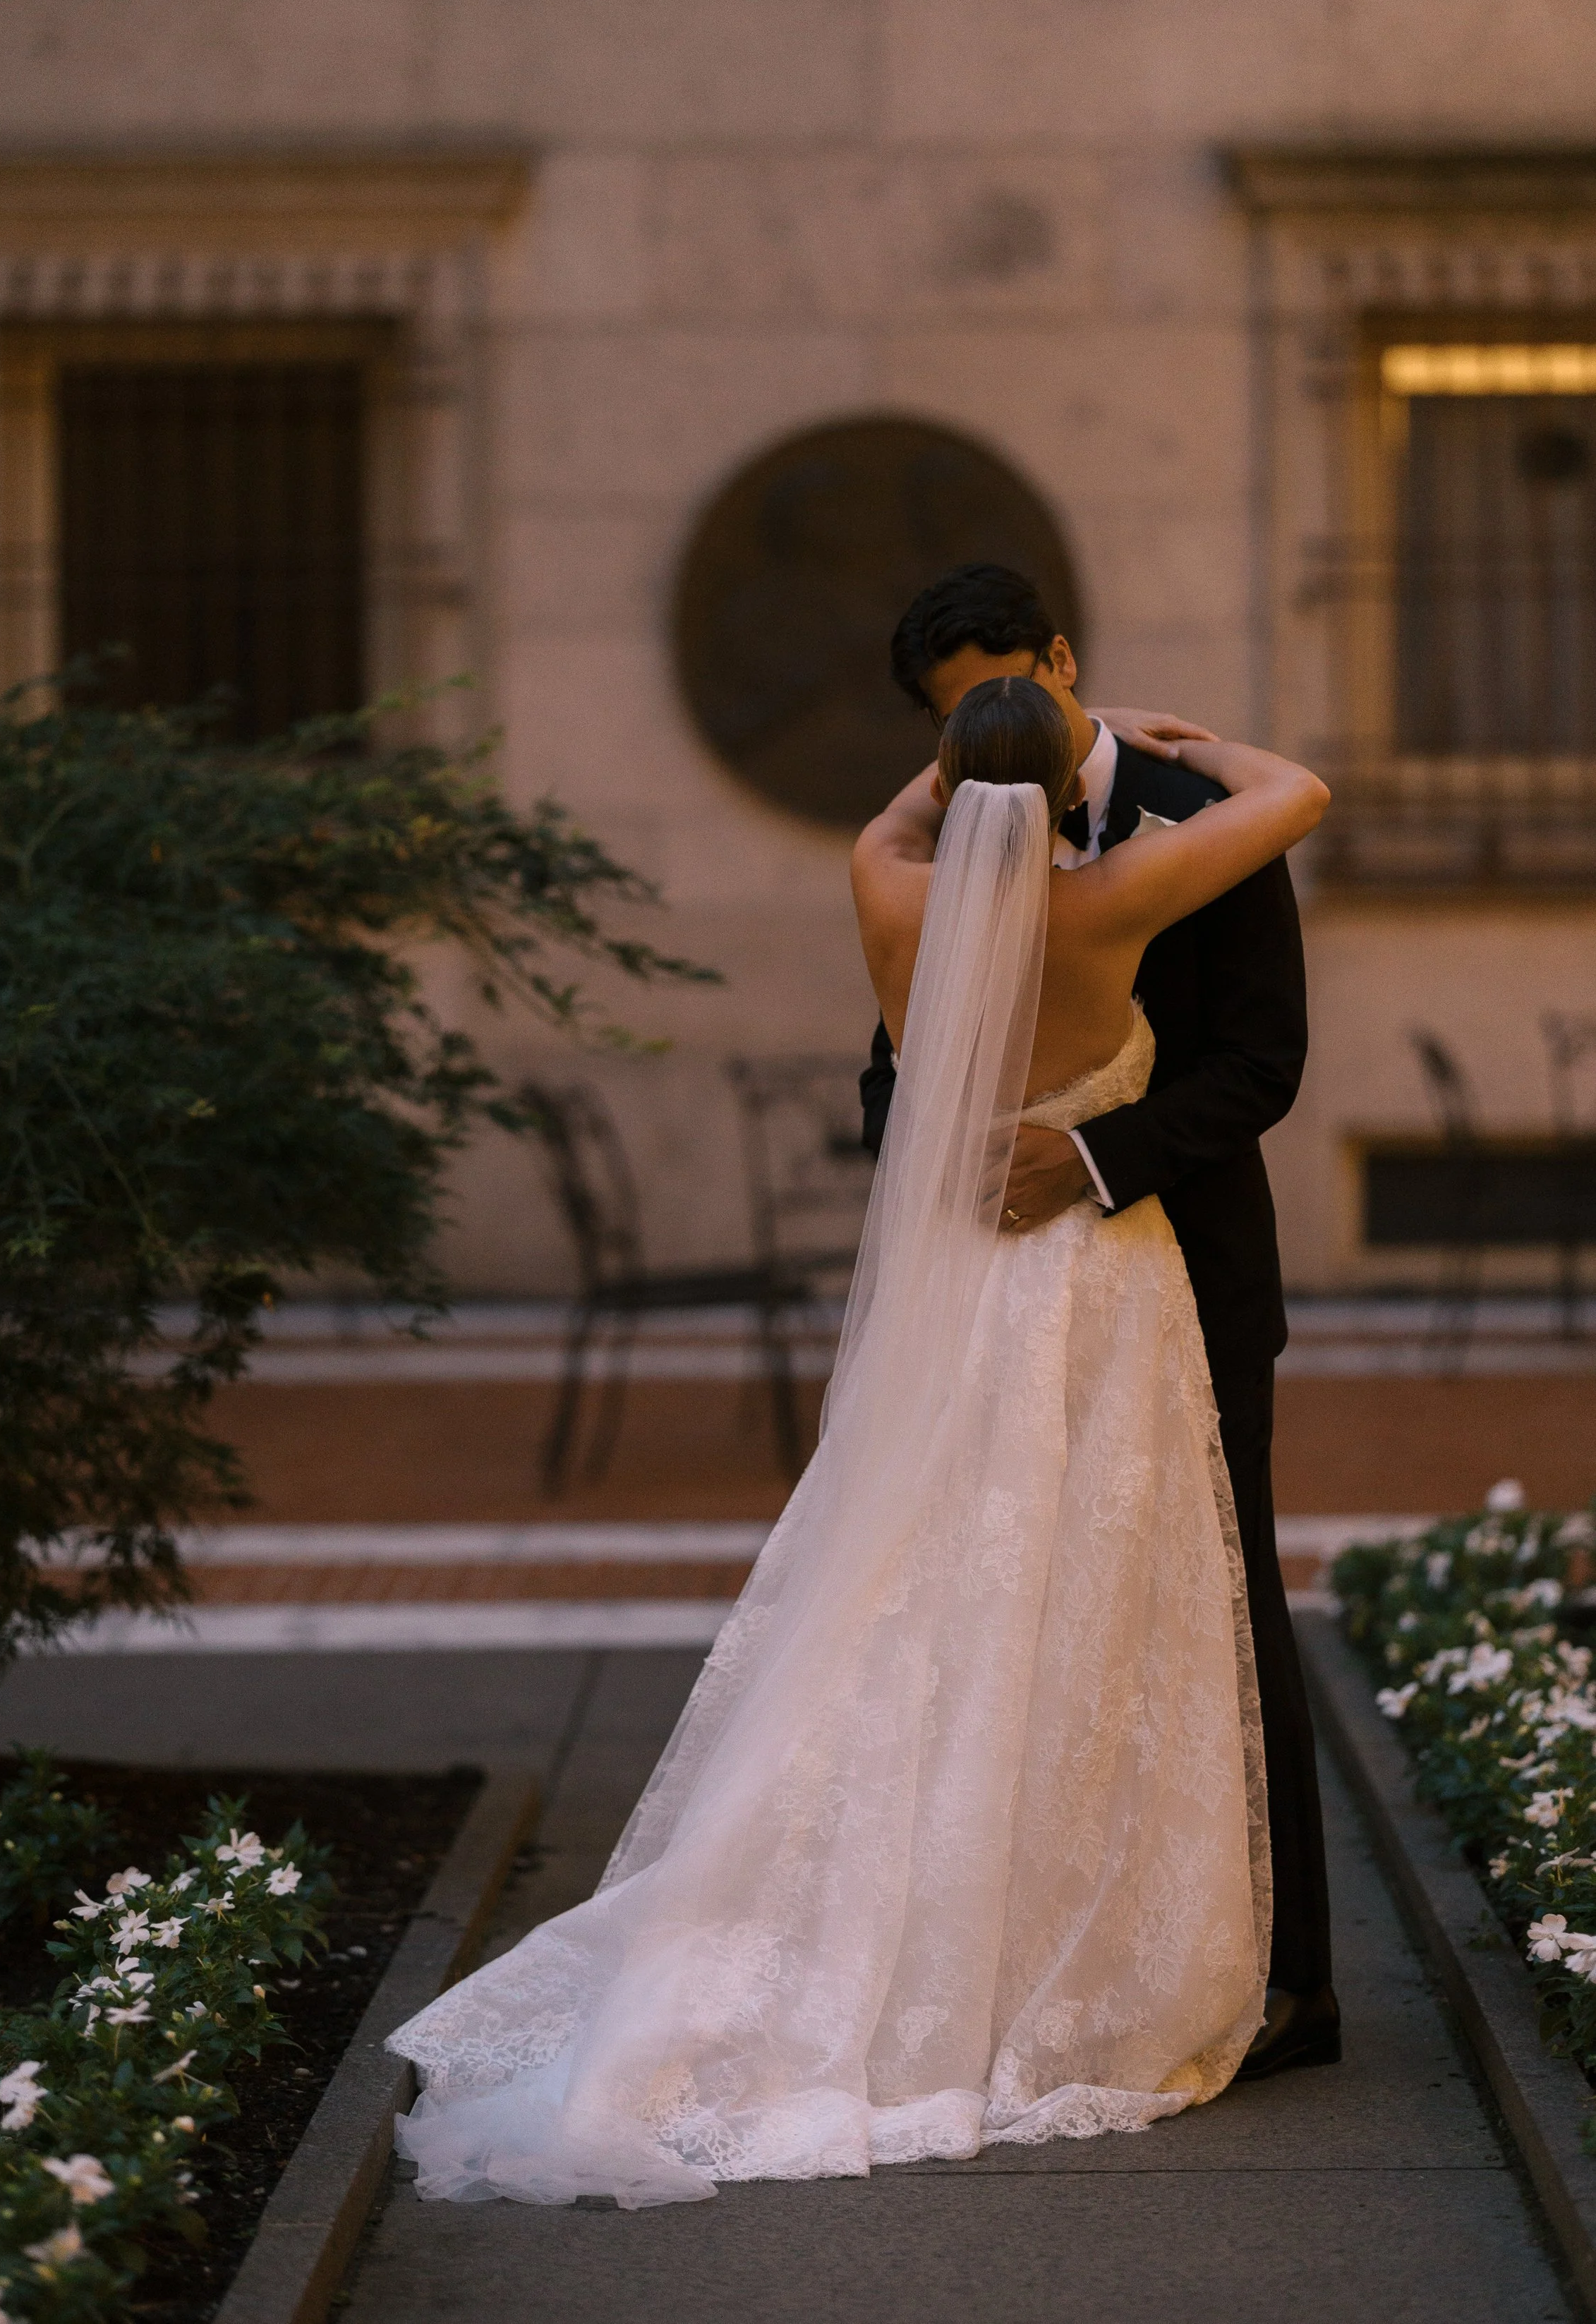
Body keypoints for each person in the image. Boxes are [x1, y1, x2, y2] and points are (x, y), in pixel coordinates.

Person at [382, 670, 1331, 2208]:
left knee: (925, 1593)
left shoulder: (888, 893)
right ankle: (1049, 1916)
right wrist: (1181, 745)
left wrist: (938, 780)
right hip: (1095, 1292)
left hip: (954, 1296)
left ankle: (897, 1910)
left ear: (947, 790)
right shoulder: (1103, 910)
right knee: (1106, 1608)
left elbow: (896, 823)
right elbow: (1295, 797)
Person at [861, 560, 1338, 2081]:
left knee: (1222, 1610)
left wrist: (1078, 1155)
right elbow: (885, 1065)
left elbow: (1262, 1063)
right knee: (1009, 1617)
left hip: (1181, 1268)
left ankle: (1284, 1985)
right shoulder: (952, 846)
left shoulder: (1188, 837)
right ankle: (1056, 1954)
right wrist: (934, 1150)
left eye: (1002, 693)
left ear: (1063, 660)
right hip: (995, 1287)